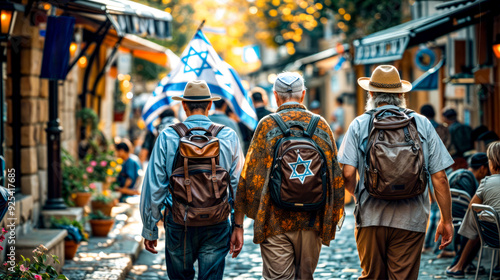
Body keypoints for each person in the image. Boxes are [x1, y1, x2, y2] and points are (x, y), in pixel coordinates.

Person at [339, 65, 455, 279]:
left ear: (371, 94)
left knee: (372, 276)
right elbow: (439, 177)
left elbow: (347, 173)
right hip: (411, 219)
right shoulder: (421, 123)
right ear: (401, 94)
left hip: (371, 216)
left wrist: (358, 195)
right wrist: (446, 220)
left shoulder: (360, 124)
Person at [232, 72, 344, 280]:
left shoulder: (267, 125)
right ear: (303, 95)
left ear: (275, 95)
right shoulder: (320, 125)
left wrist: (239, 224)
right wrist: (331, 219)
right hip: (312, 220)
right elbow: (336, 175)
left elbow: (250, 177)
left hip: (274, 221)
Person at [140, 80, 244, 280]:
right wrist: (237, 225)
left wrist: (150, 228)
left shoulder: (167, 136)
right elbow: (238, 186)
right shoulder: (228, 136)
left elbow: (154, 187)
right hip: (217, 222)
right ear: (210, 105)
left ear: (184, 106)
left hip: (179, 222)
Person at [446, 141, 500, 278]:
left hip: (493, 237)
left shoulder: (487, 182)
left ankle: (459, 265)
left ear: (492, 163)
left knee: (477, 219)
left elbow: (473, 207)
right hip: (493, 234)